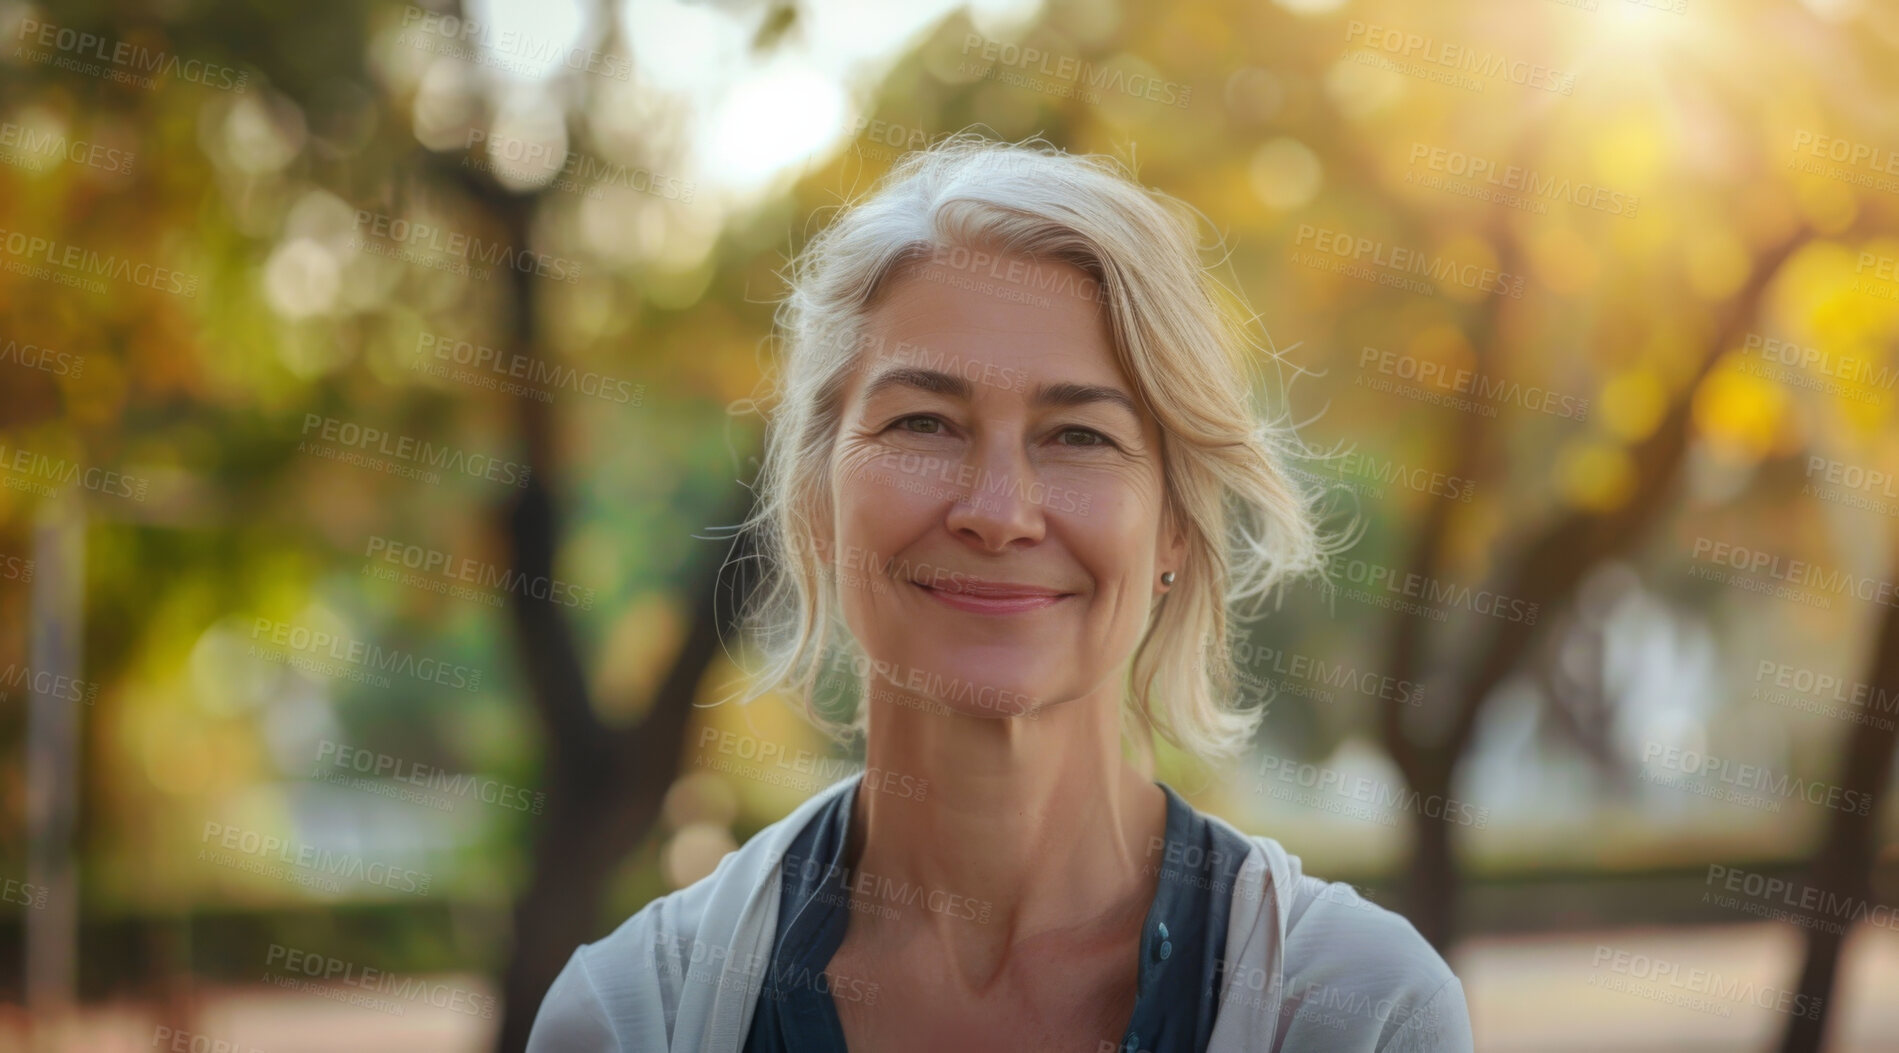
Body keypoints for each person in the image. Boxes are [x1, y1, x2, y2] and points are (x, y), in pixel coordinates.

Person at [527, 134, 1473, 1052]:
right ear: (817, 496)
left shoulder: (1356, 1011)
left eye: (1078, 436)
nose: (999, 511)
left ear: (1174, 525)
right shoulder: (629, 1017)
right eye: (925, 422)